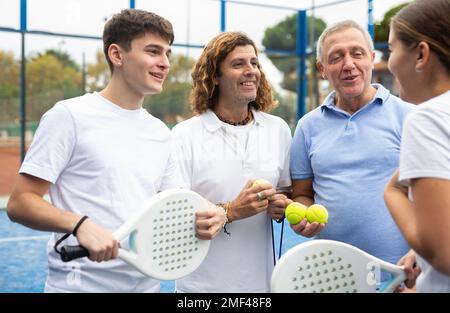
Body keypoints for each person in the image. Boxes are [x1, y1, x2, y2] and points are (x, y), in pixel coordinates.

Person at [6, 9, 204, 293]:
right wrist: (79, 225)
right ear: (117, 54)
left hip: (147, 287)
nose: (164, 63)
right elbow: (20, 202)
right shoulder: (69, 116)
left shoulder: (160, 131)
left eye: (167, 54)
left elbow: (169, 208)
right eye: (153, 51)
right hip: (79, 287)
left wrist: (206, 216)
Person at [171, 31, 292, 292]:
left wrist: (281, 204)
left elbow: (285, 190)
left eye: (254, 63)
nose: (252, 71)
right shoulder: (184, 135)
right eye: (238, 64)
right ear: (214, 76)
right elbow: (175, 215)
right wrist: (231, 211)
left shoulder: (278, 129)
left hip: (262, 288)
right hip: (201, 289)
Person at [289, 20, 413, 265]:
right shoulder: (307, 126)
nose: (349, 65)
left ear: (371, 58)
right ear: (322, 68)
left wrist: (419, 259)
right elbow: (302, 194)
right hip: (333, 272)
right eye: (336, 58)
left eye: (357, 54)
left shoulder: (410, 117)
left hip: (401, 271)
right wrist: (303, 219)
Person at [384, 0, 450, 293]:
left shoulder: (426, 118)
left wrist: (392, 193)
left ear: (421, 54)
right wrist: (421, 252)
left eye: (391, 49)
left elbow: (445, 254)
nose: (389, 62)